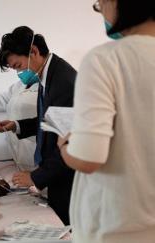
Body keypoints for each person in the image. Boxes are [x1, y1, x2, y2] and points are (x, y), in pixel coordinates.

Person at [57, 0, 155, 242]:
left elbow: (88, 158)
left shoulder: (105, 60)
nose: (101, 9)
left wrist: (65, 144)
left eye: (100, 3)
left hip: (116, 228)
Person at [0, 26, 76, 225]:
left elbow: (71, 144)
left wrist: (36, 177)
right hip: (57, 173)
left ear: (34, 52)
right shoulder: (47, 75)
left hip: (68, 176)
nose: (19, 72)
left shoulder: (63, 82)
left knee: (67, 226)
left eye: (19, 65)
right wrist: (16, 126)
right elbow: (49, 121)